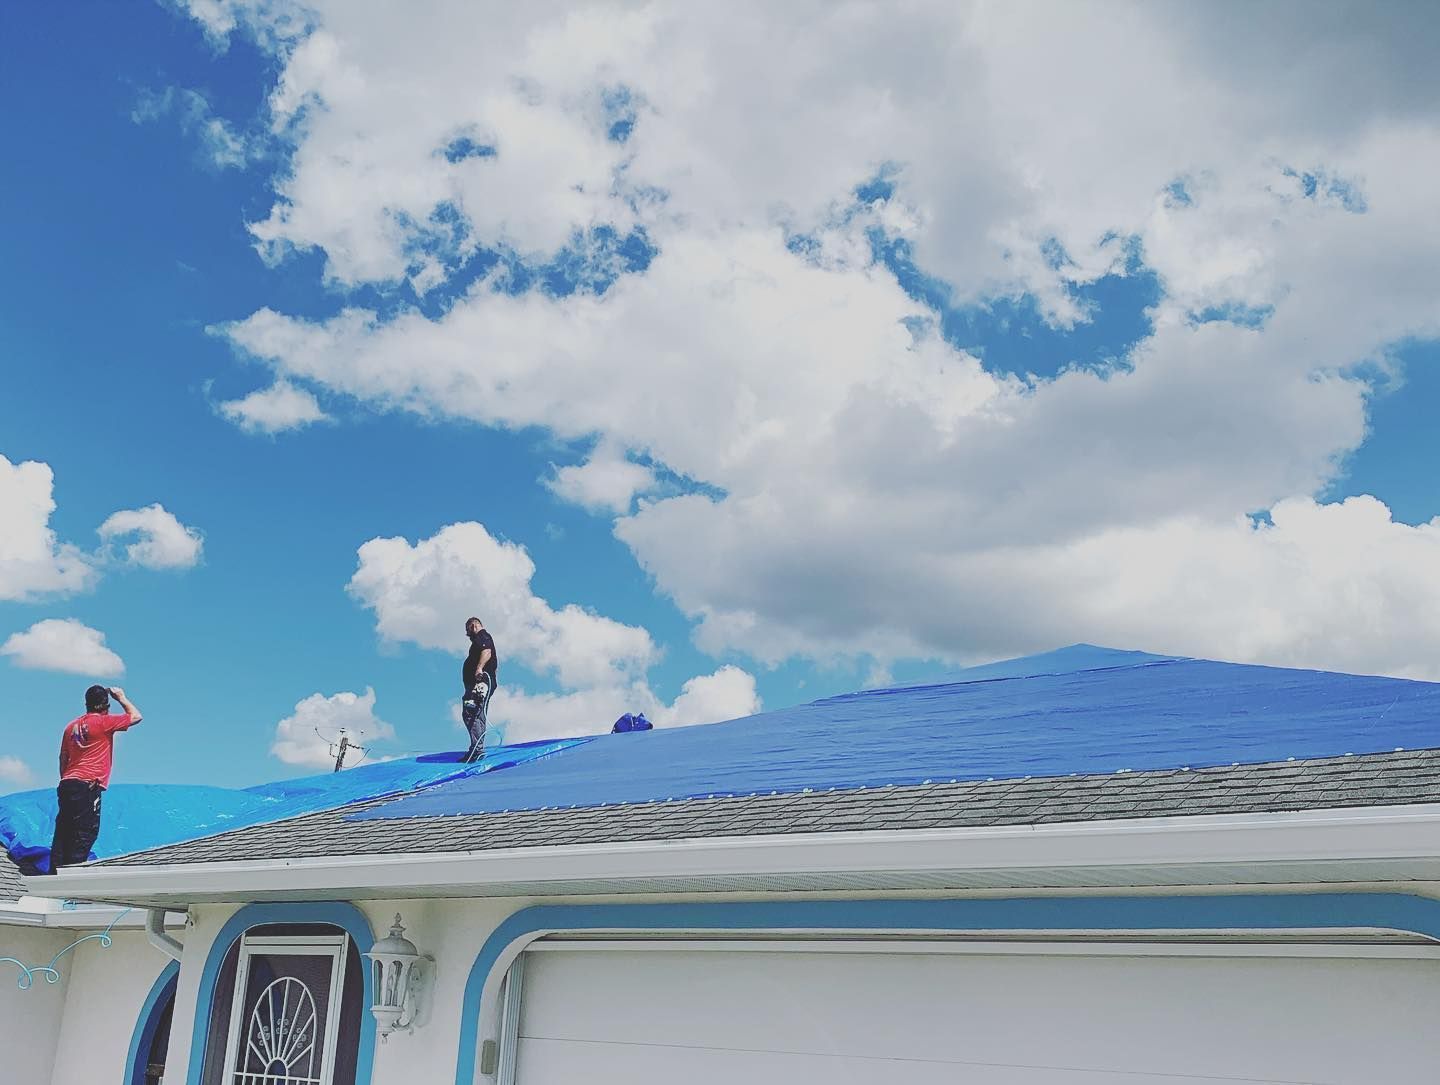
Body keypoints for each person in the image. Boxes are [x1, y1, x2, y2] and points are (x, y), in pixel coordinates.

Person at [48, 684, 142, 872]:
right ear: (106, 706)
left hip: (68, 783)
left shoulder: (71, 726)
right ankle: (72, 877)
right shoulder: (103, 723)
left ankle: (54, 875)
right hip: (87, 784)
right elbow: (136, 716)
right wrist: (121, 697)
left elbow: (62, 758)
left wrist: (67, 778)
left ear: (86, 704)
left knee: (64, 831)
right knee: (85, 832)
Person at [461, 617, 499, 762]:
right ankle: (477, 748)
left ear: (474, 626)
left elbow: (487, 652)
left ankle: (477, 750)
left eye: (468, 630)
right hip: (483, 682)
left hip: (480, 682)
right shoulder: (483, 638)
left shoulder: (482, 636)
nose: (468, 634)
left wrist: (479, 669)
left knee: (471, 712)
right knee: (477, 712)